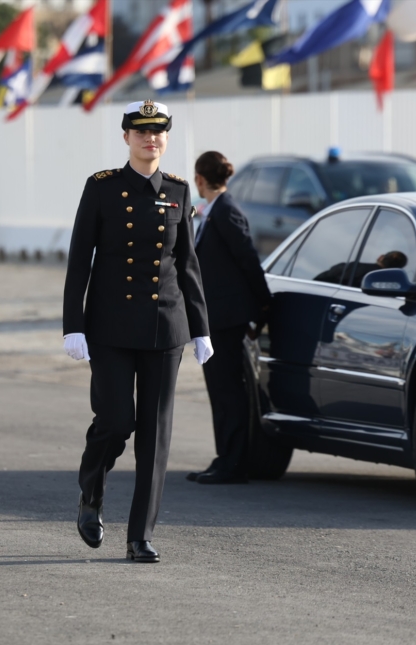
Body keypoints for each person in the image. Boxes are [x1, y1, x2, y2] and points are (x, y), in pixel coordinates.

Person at [62, 100, 212, 563]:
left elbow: (186, 264)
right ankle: (92, 493)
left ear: (166, 138)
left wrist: (201, 328)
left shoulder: (179, 191)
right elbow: (78, 261)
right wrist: (74, 325)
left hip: (165, 326)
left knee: (155, 433)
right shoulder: (102, 188)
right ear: (126, 136)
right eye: (141, 131)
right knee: (116, 421)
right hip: (110, 326)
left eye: (159, 131)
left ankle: (139, 535)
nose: (151, 139)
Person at [188, 151, 272, 485]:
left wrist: (264, 303)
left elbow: (247, 257)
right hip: (216, 317)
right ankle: (225, 457)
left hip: (226, 318)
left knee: (227, 391)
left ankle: (233, 463)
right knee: (219, 389)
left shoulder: (226, 211)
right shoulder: (215, 211)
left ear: (199, 179)